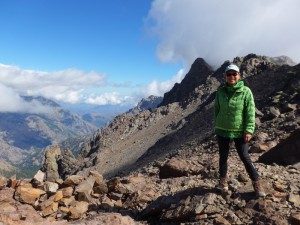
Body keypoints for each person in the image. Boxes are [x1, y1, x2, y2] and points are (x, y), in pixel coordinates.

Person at [214, 64, 266, 197]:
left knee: (245, 157)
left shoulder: (246, 91)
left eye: (234, 74)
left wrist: (248, 130)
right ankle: (223, 182)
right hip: (222, 130)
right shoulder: (220, 91)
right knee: (223, 157)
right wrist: (217, 124)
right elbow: (216, 109)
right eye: (229, 74)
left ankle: (257, 183)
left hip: (239, 130)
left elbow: (250, 112)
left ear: (239, 76)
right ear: (225, 76)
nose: (232, 76)